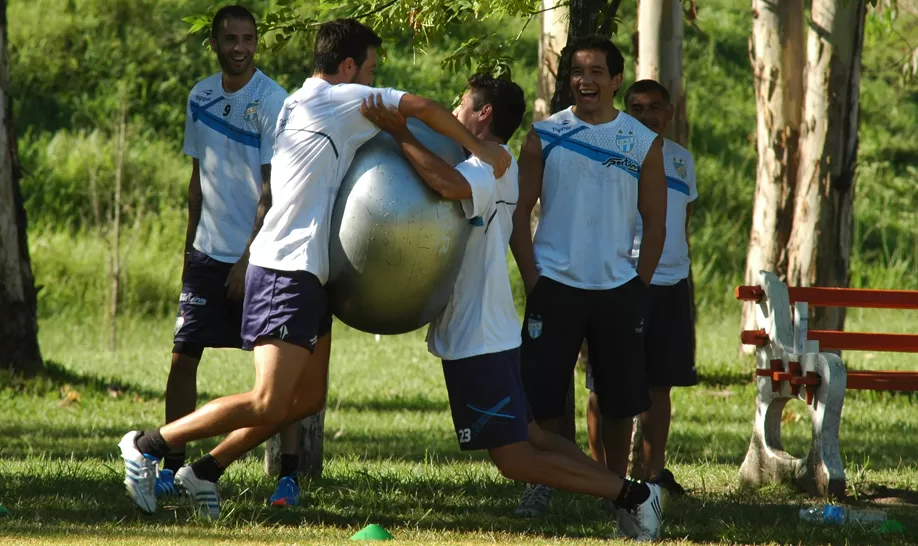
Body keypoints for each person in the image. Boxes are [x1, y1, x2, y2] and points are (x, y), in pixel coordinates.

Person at [118, 17, 511, 519]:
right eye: (369, 70)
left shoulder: (299, 101)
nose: (372, 81)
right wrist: (480, 149)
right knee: (267, 400)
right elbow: (426, 108)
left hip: (309, 272)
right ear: (347, 67)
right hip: (286, 269)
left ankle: (203, 473)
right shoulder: (336, 99)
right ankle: (148, 445)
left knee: (305, 399)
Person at [360, 73, 665, 541]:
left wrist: (400, 132)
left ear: (482, 114)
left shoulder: (491, 166)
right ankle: (627, 490)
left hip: (479, 335)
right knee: (537, 436)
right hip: (488, 329)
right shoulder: (491, 164)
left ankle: (633, 496)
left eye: (461, 104)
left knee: (514, 460)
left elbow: (444, 185)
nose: (455, 111)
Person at [509, 35, 668, 519]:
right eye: (578, 72)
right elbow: (518, 213)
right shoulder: (545, 134)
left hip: (619, 290)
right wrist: (534, 278)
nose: (586, 81)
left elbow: (656, 222)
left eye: (597, 71)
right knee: (541, 398)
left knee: (619, 401)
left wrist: (638, 284)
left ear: (616, 80)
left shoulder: (642, 142)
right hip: (554, 286)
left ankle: (617, 492)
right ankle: (540, 486)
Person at [163, 3, 304, 504]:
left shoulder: (273, 101)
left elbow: (272, 191)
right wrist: (188, 250)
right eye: (230, 39)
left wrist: (248, 259)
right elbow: (196, 182)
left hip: (261, 258)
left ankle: (288, 474)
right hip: (206, 254)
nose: (239, 48)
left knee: (279, 376)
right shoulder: (199, 95)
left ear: (257, 43)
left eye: (248, 39)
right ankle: (171, 464)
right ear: (215, 44)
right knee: (183, 356)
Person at [588, 79, 697, 496]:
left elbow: (680, 222)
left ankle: (654, 475)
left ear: (669, 113)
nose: (646, 114)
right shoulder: (608, 154)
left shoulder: (682, 159)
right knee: (605, 383)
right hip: (621, 279)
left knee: (659, 384)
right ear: (624, 109)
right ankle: (603, 478)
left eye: (654, 106)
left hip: (670, 284)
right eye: (636, 106)